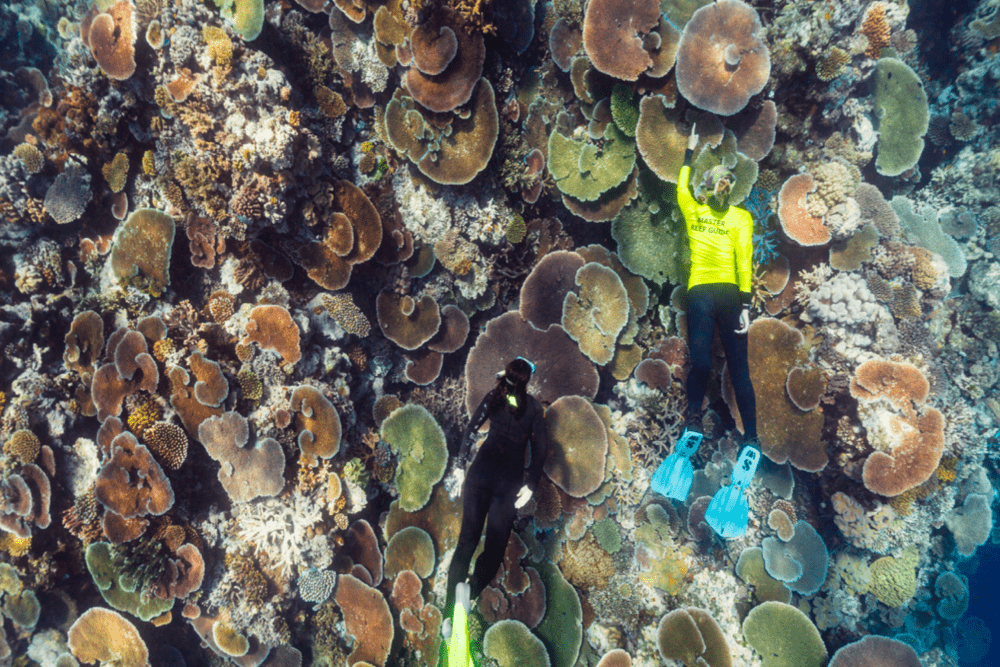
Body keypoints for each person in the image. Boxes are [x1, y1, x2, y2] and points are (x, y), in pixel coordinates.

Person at [441, 357, 549, 638]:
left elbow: (470, 430)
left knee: (466, 542)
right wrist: (532, 483)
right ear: (528, 381)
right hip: (509, 486)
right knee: (494, 551)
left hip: (479, 476)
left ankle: (447, 615)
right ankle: (472, 593)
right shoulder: (535, 409)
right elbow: (540, 451)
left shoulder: (495, 396)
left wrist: (461, 466)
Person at [676, 122, 760, 455]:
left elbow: (681, 187)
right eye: (724, 182)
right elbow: (744, 262)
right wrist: (745, 305)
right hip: (719, 295)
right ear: (713, 189)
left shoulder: (699, 209)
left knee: (710, 365)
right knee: (724, 367)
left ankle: (706, 423)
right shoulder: (736, 217)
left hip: (706, 294)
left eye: (727, 182)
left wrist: (689, 151)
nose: (726, 186)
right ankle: (742, 435)